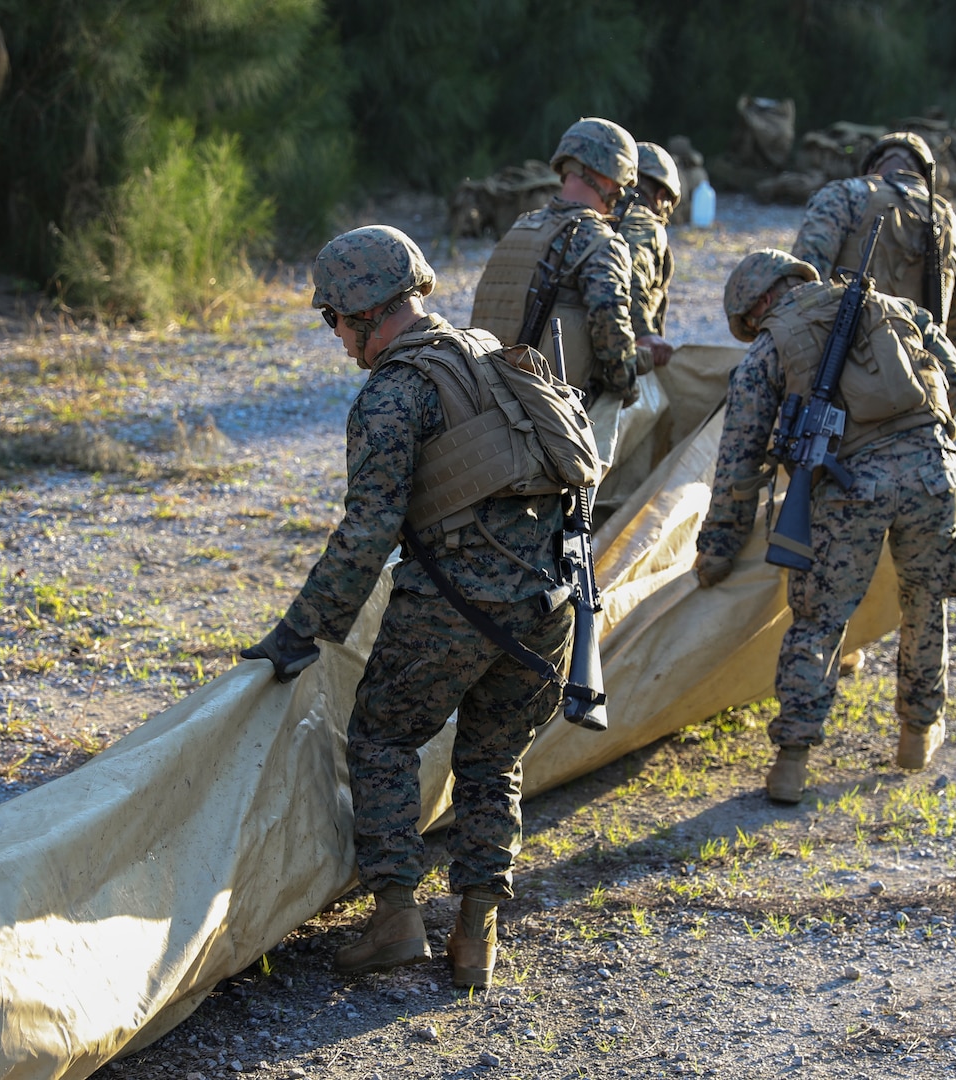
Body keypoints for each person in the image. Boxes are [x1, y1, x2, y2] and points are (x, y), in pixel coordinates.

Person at [240, 225, 583, 989]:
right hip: (550, 609)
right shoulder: (493, 356)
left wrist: (301, 632)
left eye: (332, 321)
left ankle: (395, 917)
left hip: (455, 608)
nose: (336, 340)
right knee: (495, 759)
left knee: (384, 736)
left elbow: (367, 534)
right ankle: (475, 936)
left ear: (359, 315)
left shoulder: (394, 395)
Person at [693, 249, 956, 804]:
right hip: (934, 474)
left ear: (759, 307)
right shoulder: (898, 308)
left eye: (750, 324)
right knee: (926, 603)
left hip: (851, 490)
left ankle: (791, 764)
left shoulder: (769, 350)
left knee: (819, 621)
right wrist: (925, 440)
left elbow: (739, 458)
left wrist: (720, 546)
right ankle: (917, 735)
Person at [471, 117, 656, 400]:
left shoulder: (521, 228)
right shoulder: (600, 241)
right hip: (551, 413)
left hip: (487, 399)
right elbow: (610, 327)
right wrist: (626, 388)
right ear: (612, 174)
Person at [791, 131, 956, 348]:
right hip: (921, 366)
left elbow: (803, 285)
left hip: (843, 359)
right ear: (926, 178)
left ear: (871, 169)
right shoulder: (952, 224)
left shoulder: (844, 196)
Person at [618, 142, 681, 367]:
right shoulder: (643, 224)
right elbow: (631, 278)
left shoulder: (599, 211)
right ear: (660, 195)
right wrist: (644, 333)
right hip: (621, 351)